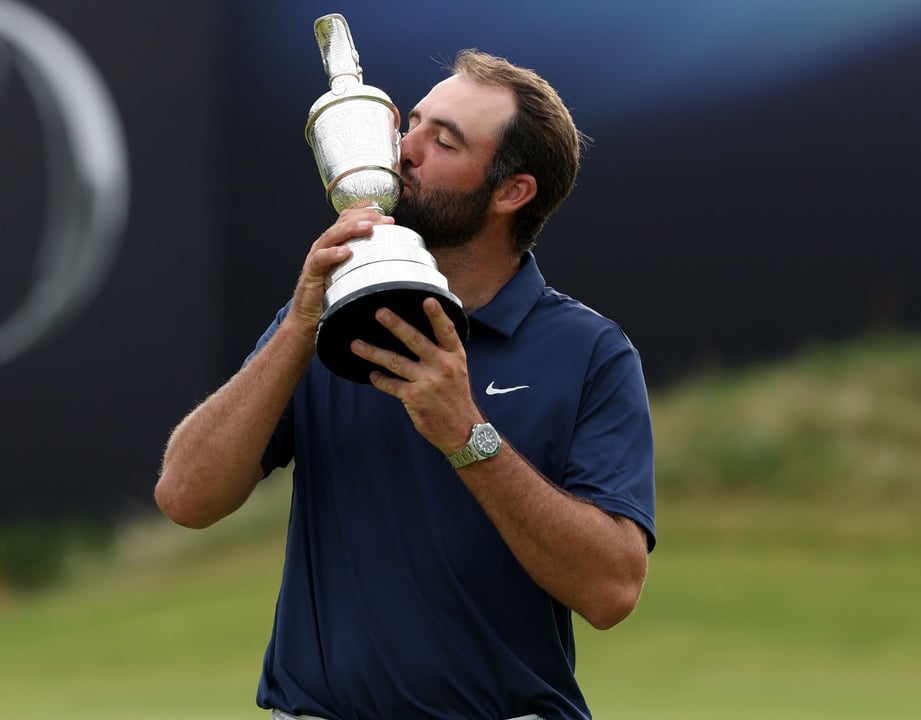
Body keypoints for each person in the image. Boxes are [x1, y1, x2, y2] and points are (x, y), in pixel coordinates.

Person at [156, 49, 656, 720]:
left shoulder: (591, 352)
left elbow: (611, 589)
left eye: (442, 140)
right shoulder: (320, 315)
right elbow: (187, 496)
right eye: (412, 124)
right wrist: (302, 320)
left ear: (512, 192)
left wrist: (466, 435)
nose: (405, 150)